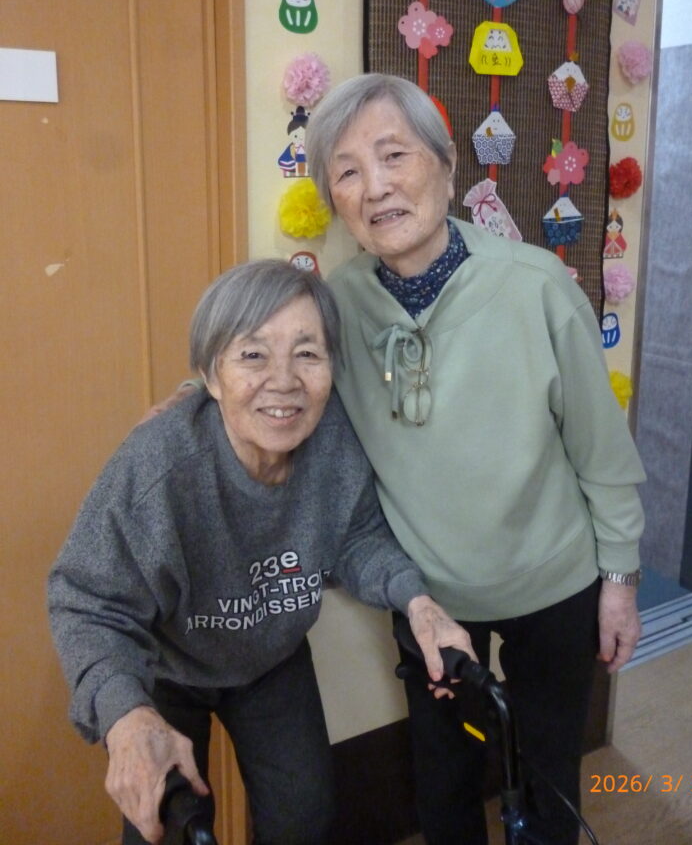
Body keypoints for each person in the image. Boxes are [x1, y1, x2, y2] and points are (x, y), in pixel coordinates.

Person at [302, 73, 647, 845]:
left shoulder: (535, 284)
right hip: (429, 596)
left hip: (554, 582)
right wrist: (196, 401)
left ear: (447, 163)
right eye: (348, 171)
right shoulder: (338, 304)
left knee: (550, 777)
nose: (375, 187)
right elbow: (263, 368)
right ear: (335, 199)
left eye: (394, 155)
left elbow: (602, 451)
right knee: (445, 777)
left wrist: (620, 581)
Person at [47, 259, 473, 845]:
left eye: (307, 353)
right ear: (211, 374)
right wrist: (125, 715)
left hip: (272, 657)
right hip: (167, 664)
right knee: (165, 830)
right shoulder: (158, 466)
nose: (284, 381)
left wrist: (417, 601)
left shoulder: (334, 438)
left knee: (305, 816)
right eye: (253, 354)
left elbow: (357, 537)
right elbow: (86, 602)